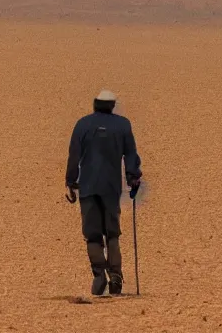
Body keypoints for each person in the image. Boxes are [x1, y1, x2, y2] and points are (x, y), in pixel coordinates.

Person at [64, 89, 142, 296]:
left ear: (95, 104)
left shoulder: (82, 124)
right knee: (113, 233)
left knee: (92, 236)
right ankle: (116, 275)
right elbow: (131, 155)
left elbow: (74, 155)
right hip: (111, 188)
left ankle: (99, 275)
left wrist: (71, 181)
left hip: (88, 188)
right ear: (112, 105)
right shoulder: (123, 125)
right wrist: (133, 178)